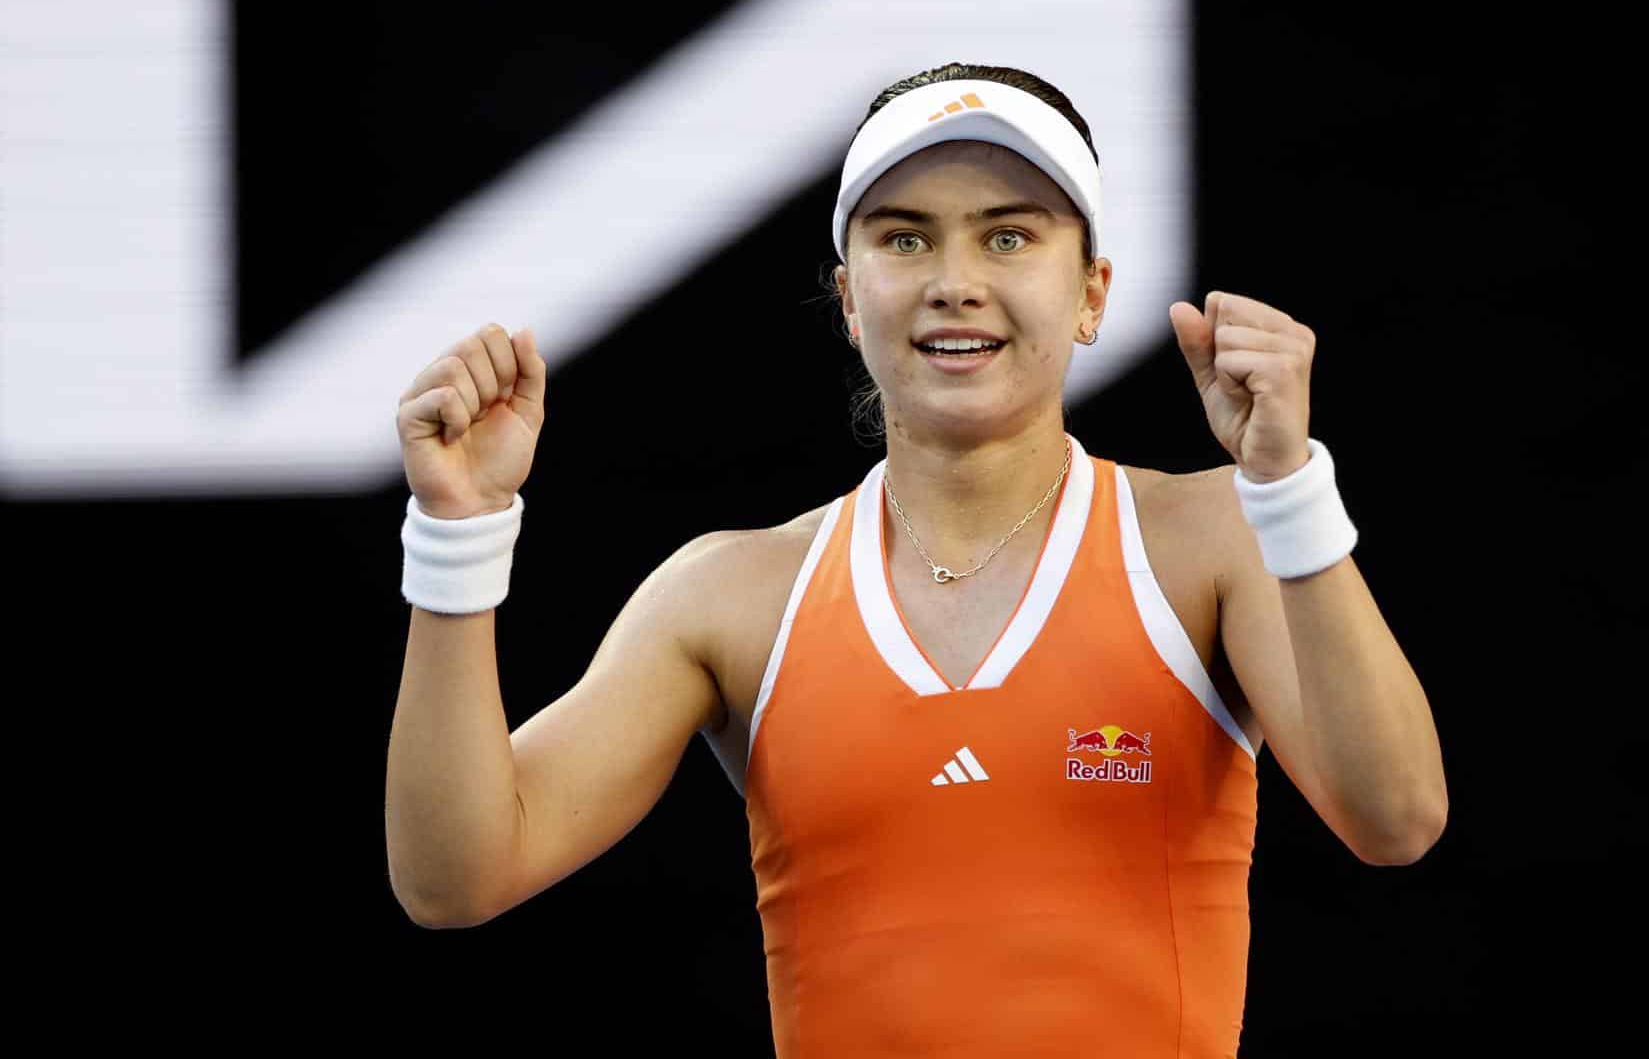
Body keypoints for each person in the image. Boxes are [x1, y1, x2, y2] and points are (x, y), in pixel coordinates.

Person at [385, 63, 1447, 1057]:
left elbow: (1396, 817)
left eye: (1008, 237)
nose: (954, 282)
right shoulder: (732, 593)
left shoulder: (1216, 536)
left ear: (1092, 292)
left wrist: (1289, 487)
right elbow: (456, 876)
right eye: (904, 240)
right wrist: (458, 532)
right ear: (849, 300)